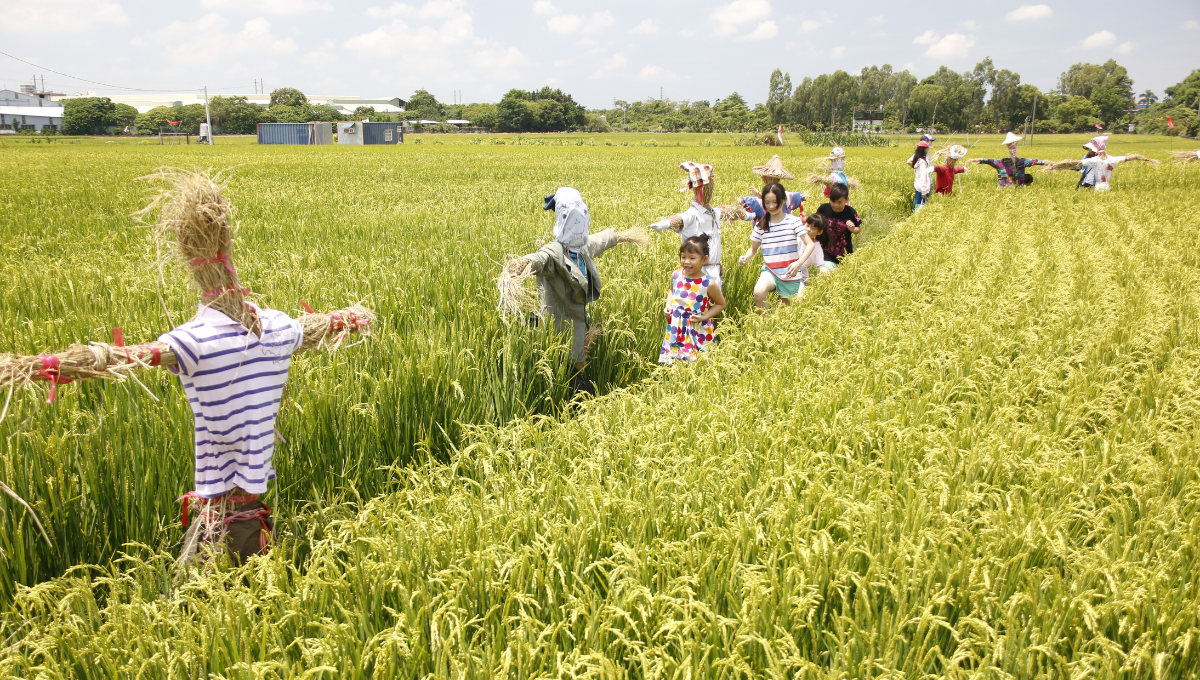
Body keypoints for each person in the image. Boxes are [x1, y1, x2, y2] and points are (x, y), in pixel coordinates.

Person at [512, 187, 636, 394]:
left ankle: (577, 391)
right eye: (573, 220)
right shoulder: (553, 253)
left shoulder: (583, 248)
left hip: (578, 321)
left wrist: (620, 236)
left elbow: (601, 240)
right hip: (558, 323)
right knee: (562, 366)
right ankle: (572, 398)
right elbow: (538, 260)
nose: (579, 226)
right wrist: (520, 264)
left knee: (577, 364)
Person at [650, 161, 734, 286]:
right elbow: (680, 218)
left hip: (714, 270)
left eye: (709, 187)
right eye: (705, 188)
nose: (708, 191)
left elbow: (730, 212)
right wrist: (665, 223)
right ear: (697, 189)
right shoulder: (693, 213)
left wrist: (750, 214)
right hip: (697, 271)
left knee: (715, 302)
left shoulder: (714, 212)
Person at [737, 183, 818, 310]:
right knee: (758, 293)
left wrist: (799, 263)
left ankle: (778, 326)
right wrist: (745, 257)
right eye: (767, 202)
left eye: (775, 202)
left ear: (784, 200)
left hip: (790, 273)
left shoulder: (794, 221)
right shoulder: (761, 225)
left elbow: (810, 244)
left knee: (789, 310)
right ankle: (766, 323)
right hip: (770, 270)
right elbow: (753, 248)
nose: (771, 206)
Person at [659, 235, 727, 364]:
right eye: (683, 257)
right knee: (674, 364)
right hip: (676, 327)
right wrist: (668, 306)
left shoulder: (708, 283)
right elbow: (672, 291)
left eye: (692, 258)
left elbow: (721, 304)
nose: (686, 261)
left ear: (704, 259)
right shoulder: (676, 275)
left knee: (699, 364)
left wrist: (704, 317)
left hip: (698, 328)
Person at [739, 154, 807, 227]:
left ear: (765, 178)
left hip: (767, 231)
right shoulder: (789, 196)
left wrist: (760, 196)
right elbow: (798, 197)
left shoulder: (758, 202)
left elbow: (742, 201)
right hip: (784, 230)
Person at [973, 132, 1048, 187]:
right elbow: (1036, 161)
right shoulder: (1022, 162)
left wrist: (979, 160)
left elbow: (988, 160)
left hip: (1002, 190)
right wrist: (1048, 163)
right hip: (1017, 190)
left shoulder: (1001, 162)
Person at [815, 183, 862, 265]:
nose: (836, 205)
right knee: (828, 273)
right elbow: (816, 225)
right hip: (825, 252)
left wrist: (853, 229)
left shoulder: (850, 212)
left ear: (846, 200)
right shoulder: (823, 209)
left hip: (845, 253)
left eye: (840, 202)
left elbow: (858, 229)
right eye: (833, 201)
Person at [910, 140, 934, 211]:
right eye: (927, 148)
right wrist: (924, 191)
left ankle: (913, 219)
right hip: (922, 188)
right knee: (921, 207)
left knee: (917, 205)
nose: (928, 149)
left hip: (918, 187)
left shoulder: (917, 160)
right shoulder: (923, 162)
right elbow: (923, 177)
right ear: (924, 149)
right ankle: (916, 219)